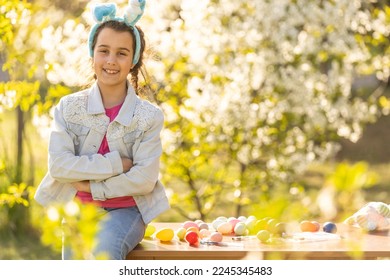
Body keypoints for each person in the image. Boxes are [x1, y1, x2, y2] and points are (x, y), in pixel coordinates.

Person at [34, 0, 170, 260]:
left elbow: (144, 179)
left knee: (103, 252)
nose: (111, 60)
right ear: (92, 54)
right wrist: (117, 163)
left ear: (133, 60)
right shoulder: (69, 107)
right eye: (104, 50)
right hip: (80, 210)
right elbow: (60, 167)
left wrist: (91, 187)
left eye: (121, 53)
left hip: (127, 211)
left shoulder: (149, 117)